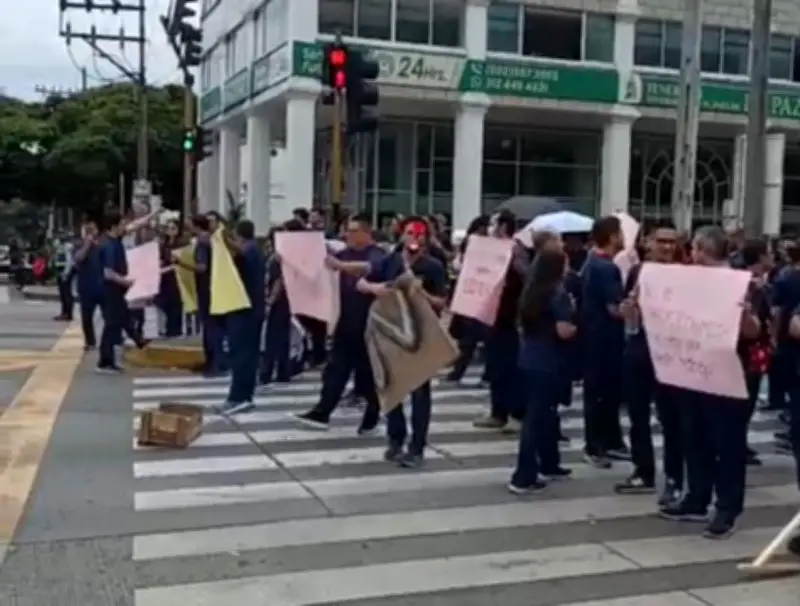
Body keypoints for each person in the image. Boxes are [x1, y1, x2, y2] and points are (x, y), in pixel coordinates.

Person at [659, 226, 760, 539]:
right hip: (694, 370)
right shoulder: (688, 282)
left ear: (701, 251)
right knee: (695, 435)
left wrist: (743, 316)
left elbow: (756, 332)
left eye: (694, 251)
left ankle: (728, 507)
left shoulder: (742, 284)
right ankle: (697, 497)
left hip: (729, 372)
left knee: (727, 443)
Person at [357, 216, 447, 468]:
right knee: (390, 386)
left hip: (421, 334)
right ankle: (395, 438)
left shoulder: (433, 266)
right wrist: (379, 289)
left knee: (420, 390)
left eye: (419, 234)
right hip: (393, 331)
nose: (414, 239)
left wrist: (423, 293)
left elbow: (442, 302)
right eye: (410, 233)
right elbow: (362, 282)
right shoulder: (391, 260)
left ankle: (417, 446)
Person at [294, 213, 386, 433]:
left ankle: (373, 414)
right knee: (335, 370)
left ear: (366, 232)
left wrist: (341, 265)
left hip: (369, 327)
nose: (348, 235)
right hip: (344, 324)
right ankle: (322, 412)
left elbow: (368, 267)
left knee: (367, 377)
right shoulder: (343, 253)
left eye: (354, 231)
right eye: (347, 230)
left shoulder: (378, 255)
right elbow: (322, 265)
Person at [614, 224, 684, 504]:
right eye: (661, 241)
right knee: (637, 415)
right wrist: (627, 310)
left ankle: (674, 478)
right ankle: (643, 469)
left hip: (670, 353)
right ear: (649, 242)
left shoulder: (684, 274)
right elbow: (628, 310)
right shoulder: (637, 272)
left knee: (672, 420)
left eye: (671, 242)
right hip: (640, 348)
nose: (666, 247)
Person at [509, 246, 576, 493]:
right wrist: (577, 325)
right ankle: (524, 474)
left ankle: (549, 463)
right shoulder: (557, 293)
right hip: (548, 361)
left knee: (545, 416)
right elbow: (563, 330)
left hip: (529, 358)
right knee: (537, 419)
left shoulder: (532, 291)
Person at [473, 210, 529, 433]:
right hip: (491, 315)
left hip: (510, 319)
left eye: (494, 224)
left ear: (504, 227)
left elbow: (527, 276)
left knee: (511, 366)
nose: (490, 228)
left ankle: (517, 413)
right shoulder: (488, 250)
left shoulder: (516, 250)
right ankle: (498, 411)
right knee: (494, 365)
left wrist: (511, 260)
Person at [580, 215, 627, 468]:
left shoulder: (591, 262)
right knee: (600, 393)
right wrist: (633, 306)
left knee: (605, 392)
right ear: (612, 236)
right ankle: (596, 445)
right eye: (620, 233)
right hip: (605, 339)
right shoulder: (606, 268)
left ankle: (609, 441)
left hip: (594, 336)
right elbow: (614, 308)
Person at [218, 220, 266, 414]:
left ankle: (240, 397)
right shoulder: (254, 249)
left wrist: (223, 238)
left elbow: (240, 252)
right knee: (244, 354)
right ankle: (242, 396)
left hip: (246, 311)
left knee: (242, 355)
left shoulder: (250, 250)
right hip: (247, 310)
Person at [97, 211, 134, 372]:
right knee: (112, 324)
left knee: (116, 322)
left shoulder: (112, 241)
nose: (125, 228)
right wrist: (125, 282)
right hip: (111, 290)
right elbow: (108, 272)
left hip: (115, 290)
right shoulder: (109, 245)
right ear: (114, 226)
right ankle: (106, 360)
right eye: (122, 225)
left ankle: (107, 358)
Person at [191, 215, 226, 376]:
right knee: (211, 327)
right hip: (213, 287)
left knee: (211, 327)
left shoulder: (202, 243)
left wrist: (181, 263)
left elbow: (201, 267)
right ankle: (212, 361)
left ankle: (215, 363)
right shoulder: (210, 240)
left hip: (206, 289)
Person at [74, 220, 104, 351]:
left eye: (93, 230)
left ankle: (113, 339)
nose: (91, 233)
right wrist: (87, 244)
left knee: (110, 315)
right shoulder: (79, 244)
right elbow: (78, 258)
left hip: (103, 285)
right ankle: (90, 341)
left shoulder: (103, 244)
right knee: (86, 316)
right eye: (87, 231)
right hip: (86, 286)